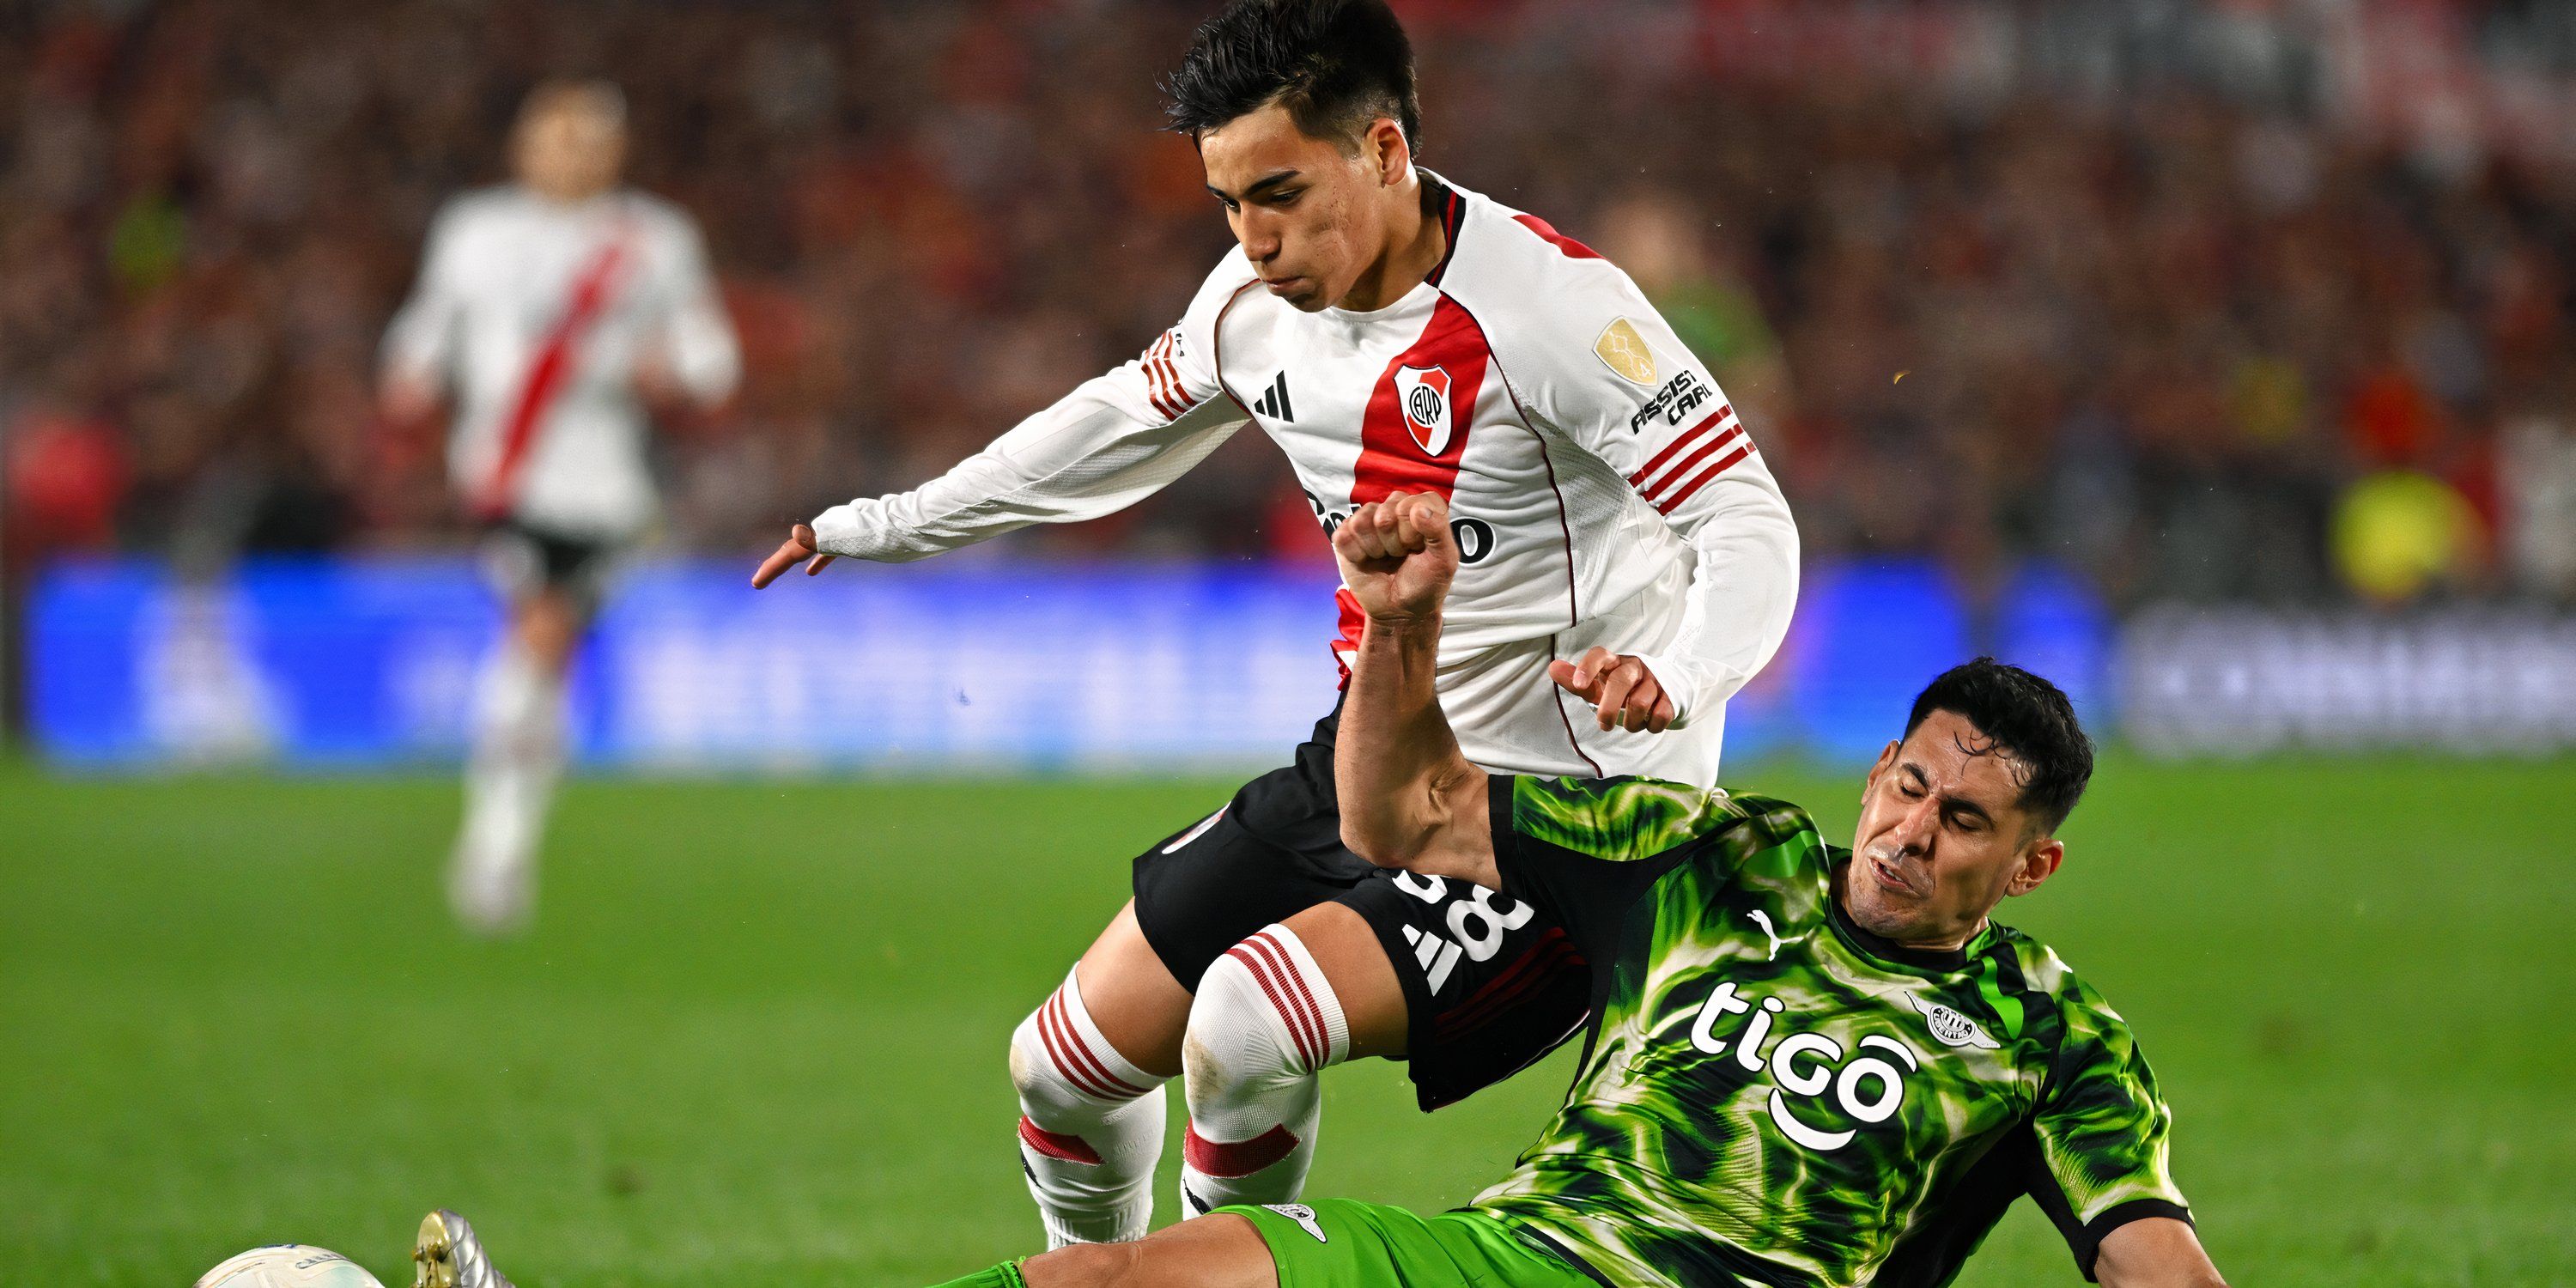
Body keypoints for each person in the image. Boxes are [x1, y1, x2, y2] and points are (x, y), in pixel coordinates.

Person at [414, 493, 2224, 1288]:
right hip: (1503, 1260)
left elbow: (2155, 1264)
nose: (1908, 832)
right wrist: (1405, 624)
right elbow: (1405, 808)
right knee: (1110, 1279)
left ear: (2030, 863)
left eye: (1962, 824)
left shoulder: (2053, 1041)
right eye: (1906, 786)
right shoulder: (1712, 859)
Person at [750, 0, 1800, 1243]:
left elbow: (1744, 512)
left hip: (1562, 814)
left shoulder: (1553, 312)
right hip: (1372, 763)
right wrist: (883, 523)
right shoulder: (1252, 306)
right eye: (1230, 204)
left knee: (1245, 1023)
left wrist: (1680, 675)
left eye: (1283, 195)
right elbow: (1106, 428)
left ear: (1386, 151)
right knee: (1061, 1069)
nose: (1255, 240)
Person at [381, 79, 741, 935]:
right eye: (554, 136)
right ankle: (494, 847)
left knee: (550, 658)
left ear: (615, 152)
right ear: (523, 144)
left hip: (608, 489)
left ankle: (508, 824)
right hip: (507, 476)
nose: (569, 154)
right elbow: (427, 326)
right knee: (538, 631)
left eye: (588, 140)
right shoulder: (475, 230)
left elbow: (711, 356)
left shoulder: (654, 239)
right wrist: (411, 375)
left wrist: (675, 374)